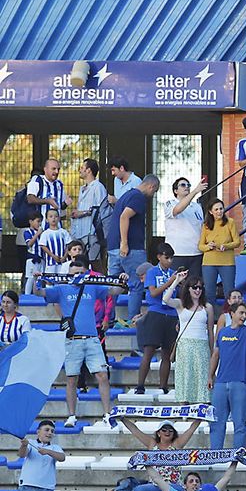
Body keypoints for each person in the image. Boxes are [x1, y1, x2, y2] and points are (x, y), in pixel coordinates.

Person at [44, 259, 116, 428]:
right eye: (74, 273)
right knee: (71, 379)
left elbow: (113, 290)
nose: (77, 276)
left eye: (81, 273)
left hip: (92, 339)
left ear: (86, 273)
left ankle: (107, 414)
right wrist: (37, 279)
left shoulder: (92, 286)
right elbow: (39, 293)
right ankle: (71, 415)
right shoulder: (61, 288)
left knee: (103, 376)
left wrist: (122, 280)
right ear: (68, 274)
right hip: (72, 340)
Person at [136, 243, 183, 395]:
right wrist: (171, 282)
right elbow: (154, 293)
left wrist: (180, 280)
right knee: (149, 351)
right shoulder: (152, 272)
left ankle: (163, 386)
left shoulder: (173, 273)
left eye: (171, 258)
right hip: (155, 312)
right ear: (159, 257)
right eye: (166, 257)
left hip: (172, 314)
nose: (170, 261)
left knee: (166, 353)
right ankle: (140, 385)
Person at [210, 300, 246, 449]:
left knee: (240, 423)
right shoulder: (222, 332)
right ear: (232, 314)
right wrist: (210, 376)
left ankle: (238, 455)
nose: (244, 316)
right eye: (241, 313)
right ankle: (215, 454)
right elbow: (216, 354)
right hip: (221, 382)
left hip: (240, 382)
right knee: (216, 423)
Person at [162, 278, 214, 406]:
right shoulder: (181, 304)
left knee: (202, 377)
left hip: (202, 345)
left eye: (200, 287)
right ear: (188, 289)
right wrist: (176, 281)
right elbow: (165, 299)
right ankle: (184, 408)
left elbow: (210, 331)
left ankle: (202, 407)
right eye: (194, 287)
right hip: (184, 345)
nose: (197, 290)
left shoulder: (207, 307)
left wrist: (212, 351)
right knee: (184, 377)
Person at [112, 174, 156, 316]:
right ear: (151, 186)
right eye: (154, 191)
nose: (152, 195)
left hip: (114, 246)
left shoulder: (126, 196)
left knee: (113, 285)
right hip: (131, 248)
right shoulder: (138, 197)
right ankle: (133, 320)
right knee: (137, 284)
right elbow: (124, 216)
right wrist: (124, 243)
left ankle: (107, 320)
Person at [15, 420, 64, 491]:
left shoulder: (55, 447)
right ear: (38, 432)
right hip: (27, 487)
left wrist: (47, 451)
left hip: (46, 490)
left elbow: (62, 457)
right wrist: (23, 445)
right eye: (47, 430)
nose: (50, 433)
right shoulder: (30, 443)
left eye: (52, 431)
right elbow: (22, 454)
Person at [199, 198, 241, 300]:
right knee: (209, 292)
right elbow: (200, 246)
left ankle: (230, 310)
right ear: (211, 212)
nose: (219, 211)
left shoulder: (230, 222)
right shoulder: (206, 225)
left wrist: (226, 246)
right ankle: (210, 310)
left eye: (221, 209)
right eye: (216, 209)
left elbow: (237, 242)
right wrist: (208, 246)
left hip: (227, 262)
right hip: (209, 262)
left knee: (229, 291)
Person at [67, 158, 109, 262]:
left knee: (94, 261)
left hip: (92, 232)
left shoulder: (98, 187)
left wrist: (82, 213)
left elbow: (101, 209)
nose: (80, 170)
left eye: (82, 168)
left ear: (89, 170)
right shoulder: (82, 189)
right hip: (80, 232)